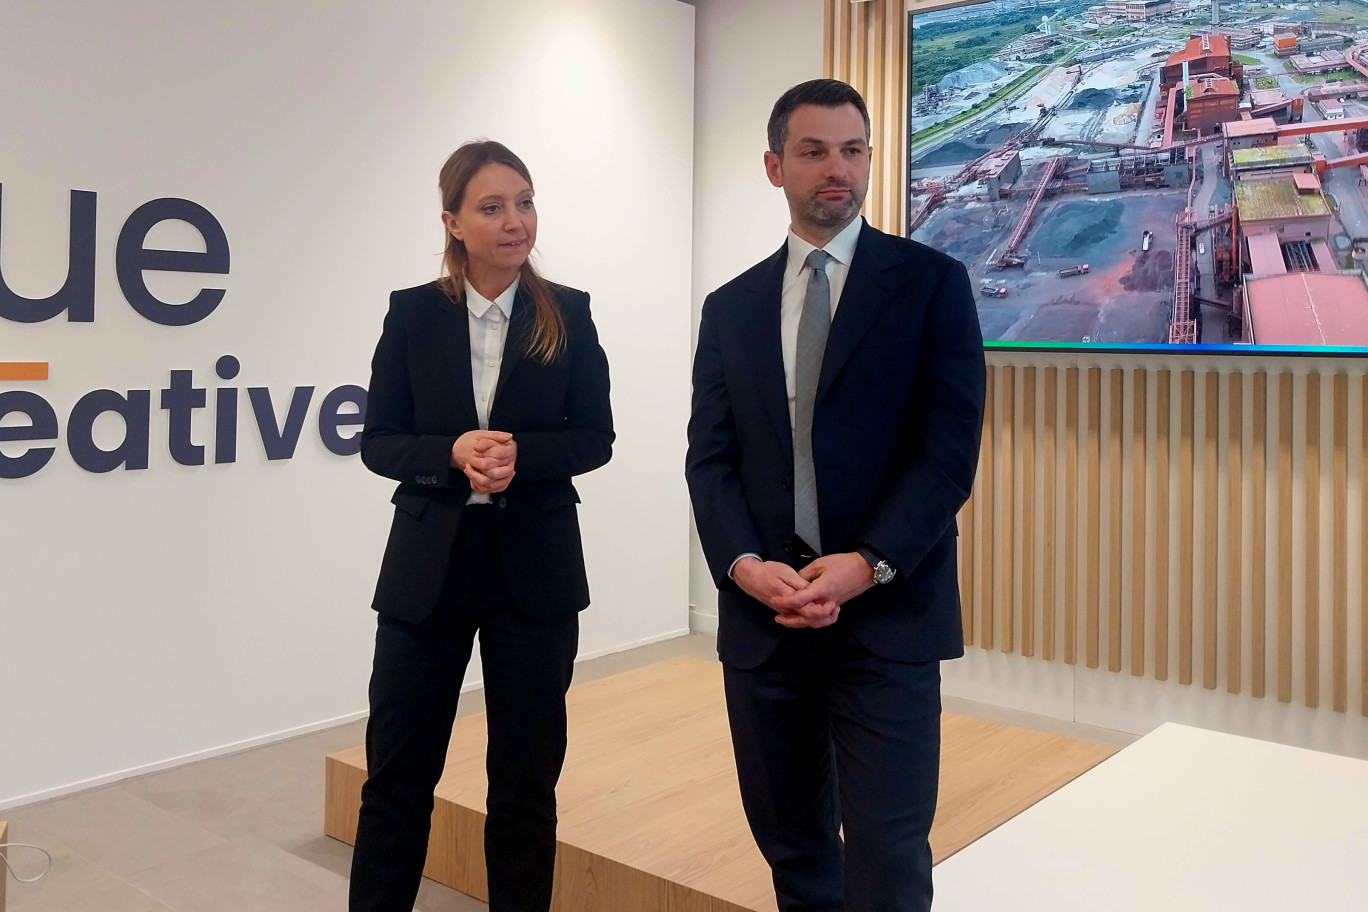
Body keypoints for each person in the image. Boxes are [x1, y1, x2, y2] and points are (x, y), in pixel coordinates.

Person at [685, 79, 985, 912]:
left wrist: (870, 563)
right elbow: (709, 460)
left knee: (887, 852)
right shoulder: (731, 308)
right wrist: (743, 564)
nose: (837, 170)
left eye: (852, 150)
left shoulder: (931, 284)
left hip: (885, 616)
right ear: (775, 165)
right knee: (793, 846)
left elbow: (947, 453)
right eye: (814, 152)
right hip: (765, 622)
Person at [349, 140, 613, 912]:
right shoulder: (411, 313)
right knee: (397, 779)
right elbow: (379, 441)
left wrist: (520, 456)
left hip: (533, 575)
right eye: (492, 207)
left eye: (525, 202)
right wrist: (449, 454)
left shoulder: (569, 311)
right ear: (453, 222)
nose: (515, 221)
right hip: (427, 572)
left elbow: (593, 437)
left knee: (525, 789)